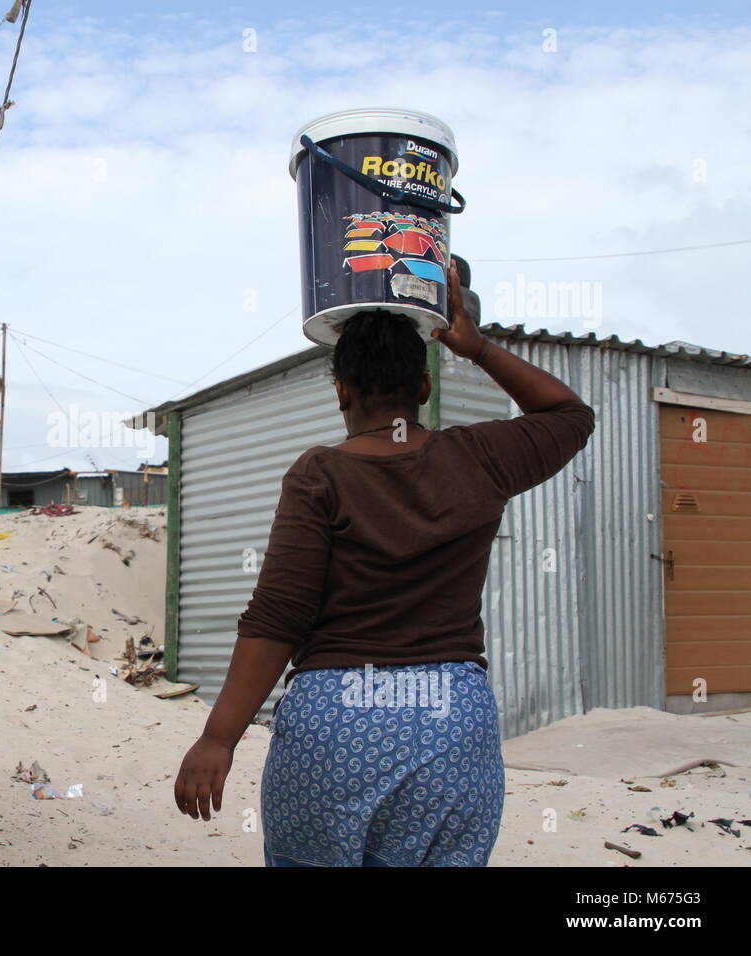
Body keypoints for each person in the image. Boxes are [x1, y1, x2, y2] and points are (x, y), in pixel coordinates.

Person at [172, 258, 596, 866]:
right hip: (453, 722)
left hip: (335, 721)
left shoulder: (321, 473)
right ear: (423, 388)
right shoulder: (480, 457)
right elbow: (570, 417)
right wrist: (474, 347)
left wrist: (219, 737)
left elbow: (278, 616)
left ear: (341, 390)